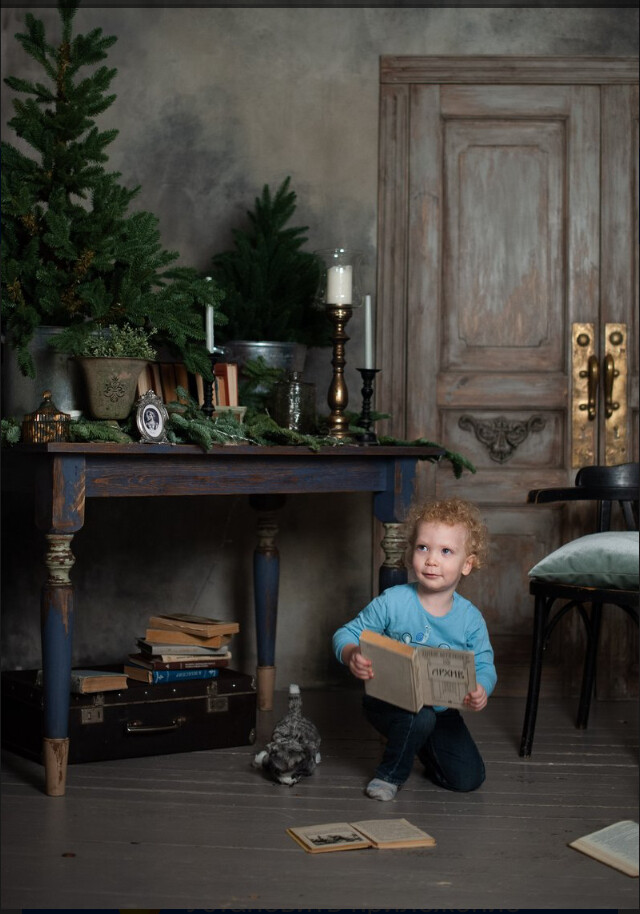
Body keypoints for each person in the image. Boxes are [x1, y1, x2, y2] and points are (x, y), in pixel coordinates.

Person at [332, 496, 497, 801]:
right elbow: (346, 633)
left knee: (468, 778)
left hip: (441, 709)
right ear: (411, 552)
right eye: (423, 547)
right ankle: (389, 775)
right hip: (388, 701)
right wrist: (352, 653)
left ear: (467, 564)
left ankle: (415, 744)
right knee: (418, 718)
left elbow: (485, 664)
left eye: (446, 551)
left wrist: (481, 688)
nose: (431, 560)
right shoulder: (394, 601)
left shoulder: (470, 619)